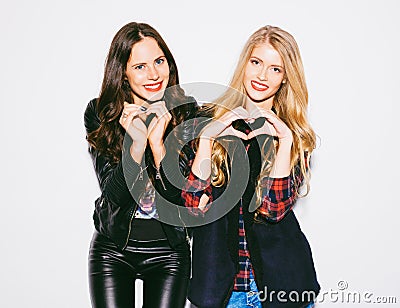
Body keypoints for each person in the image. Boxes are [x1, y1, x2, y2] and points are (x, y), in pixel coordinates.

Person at [182, 25, 320, 307]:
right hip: (224, 291)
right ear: (244, 64)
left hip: (284, 287)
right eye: (256, 62)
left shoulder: (294, 134)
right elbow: (193, 209)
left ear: (285, 78)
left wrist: (284, 142)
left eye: (275, 69)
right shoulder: (205, 120)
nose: (262, 75)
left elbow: (272, 209)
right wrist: (207, 138)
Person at [84, 22, 197, 308]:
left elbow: (180, 201)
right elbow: (114, 195)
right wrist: (135, 145)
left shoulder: (187, 112)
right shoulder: (101, 114)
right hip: (113, 249)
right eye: (140, 66)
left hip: (169, 252)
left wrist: (158, 147)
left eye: (159, 61)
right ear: (122, 73)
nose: (154, 74)